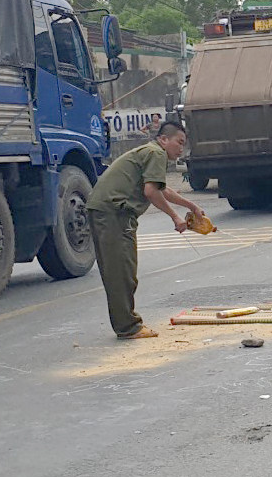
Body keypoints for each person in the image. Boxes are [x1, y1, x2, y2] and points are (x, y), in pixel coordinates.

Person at [86, 121, 205, 338]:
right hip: (114, 213)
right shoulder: (156, 153)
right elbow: (151, 192)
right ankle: (128, 327)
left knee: (119, 270)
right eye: (178, 142)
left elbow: (162, 189)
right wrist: (175, 217)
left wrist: (191, 206)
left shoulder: (149, 152)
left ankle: (125, 324)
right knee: (121, 272)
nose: (181, 149)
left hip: (105, 210)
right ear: (163, 139)